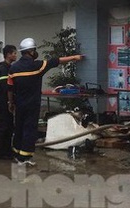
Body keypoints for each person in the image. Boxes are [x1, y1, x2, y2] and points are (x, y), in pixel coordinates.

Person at [7, 37, 84, 166]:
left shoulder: (13, 68)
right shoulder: (37, 66)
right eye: (34, 50)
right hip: (32, 104)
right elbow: (56, 61)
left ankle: (16, 153)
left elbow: (9, 88)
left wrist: (10, 103)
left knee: (19, 128)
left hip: (19, 104)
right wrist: (75, 58)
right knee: (29, 129)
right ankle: (24, 158)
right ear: (31, 51)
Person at [0, 44, 17, 160]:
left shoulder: (7, 67)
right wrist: (10, 102)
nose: (15, 55)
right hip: (4, 103)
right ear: (8, 55)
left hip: (5, 103)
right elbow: (7, 88)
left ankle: (7, 151)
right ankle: (2, 153)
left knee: (9, 127)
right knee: (4, 127)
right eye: (14, 53)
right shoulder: (3, 69)